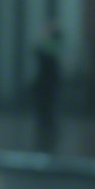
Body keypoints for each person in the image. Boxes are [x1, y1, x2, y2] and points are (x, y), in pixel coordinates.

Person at [31, 20, 63, 152]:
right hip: (49, 81)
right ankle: (47, 132)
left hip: (46, 82)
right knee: (47, 107)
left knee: (46, 107)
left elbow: (37, 51)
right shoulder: (54, 46)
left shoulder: (49, 47)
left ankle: (46, 134)